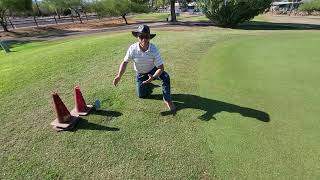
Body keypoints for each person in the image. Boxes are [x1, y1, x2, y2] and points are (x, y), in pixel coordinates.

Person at [113, 25, 176, 111]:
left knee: (165, 77)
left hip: (152, 70)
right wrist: (119, 76)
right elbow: (125, 62)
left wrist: (153, 77)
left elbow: (161, 67)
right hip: (140, 73)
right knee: (141, 95)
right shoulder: (132, 48)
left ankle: (167, 99)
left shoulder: (154, 49)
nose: (144, 39)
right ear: (137, 37)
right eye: (141, 36)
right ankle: (150, 85)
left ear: (149, 37)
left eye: (146, 36)